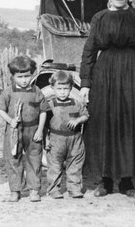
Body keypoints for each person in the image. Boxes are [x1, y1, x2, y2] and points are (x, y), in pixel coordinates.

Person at [79, 0, 135, 199]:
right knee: (104, 124)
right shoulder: (100, 18)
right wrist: (86, 83)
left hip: (133, 74)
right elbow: (89, 52)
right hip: (105, 74)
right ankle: (104, 181)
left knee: (129, 126)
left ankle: (126, 181)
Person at [0, 55, 48, 203]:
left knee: (34, 160)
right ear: (13, 76)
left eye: (27, 76)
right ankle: (15, 190)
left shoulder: (36, 91)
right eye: (20, 77)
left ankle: (34, 190)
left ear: (32, 74)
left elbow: (43, 110)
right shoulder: (8, 91)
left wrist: (40, 130)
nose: (24, 80)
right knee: (13, 160)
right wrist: (10, 120)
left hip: (33, 131)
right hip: (14, 132)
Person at [45, 71, 89, 199]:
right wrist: (45, 139)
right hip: (56, 139)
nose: (62, 92)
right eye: (59, 89)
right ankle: (53, 189)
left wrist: (78, 120)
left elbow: (85, 115)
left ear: (71, 88)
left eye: (66, 88)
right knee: (55, 165)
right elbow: (44, 124)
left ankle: (74, 189)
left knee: (75, 165)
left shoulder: (77, 103)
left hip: (74, 139)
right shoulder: (50, 105)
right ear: (52, 88)